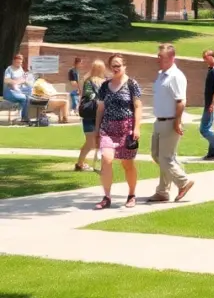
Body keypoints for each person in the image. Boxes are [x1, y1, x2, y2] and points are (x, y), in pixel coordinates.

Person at [93, 54, 143, 209]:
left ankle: (132, 194)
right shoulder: (104, 86)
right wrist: (96, 129)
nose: (115, 69)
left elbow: (138, 106)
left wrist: (136, 128)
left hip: (126, 129)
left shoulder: (131, 84)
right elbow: (100, 108)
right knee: (106, 160)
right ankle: (107, 197)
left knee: (127, 164)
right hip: (107, 128)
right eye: (113, 66)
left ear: (124, 66)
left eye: (118, 65)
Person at [146, 44, 194, 203]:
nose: (158, 59)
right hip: (159, 120)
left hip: (170, 121)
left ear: (172, 58)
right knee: (157, 155)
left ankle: (183, 182)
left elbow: (181, 101)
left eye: (161, 57)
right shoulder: (161, 74)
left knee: (165, 157)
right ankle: (163, 192)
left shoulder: (176, 76)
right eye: (158, 56)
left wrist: (177, 122)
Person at [75, 59, 106, 172]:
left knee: (90, 142)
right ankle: (99, 165)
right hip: (100, 114)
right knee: (100, 141)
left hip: (89, 115)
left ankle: (80, 163)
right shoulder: (104, 82)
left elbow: (87, 94)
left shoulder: (87, 80)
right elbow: (92, 95)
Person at [3, 53, 32, 123]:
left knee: (28, 97)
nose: (19, 64)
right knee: (23, 98)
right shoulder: (9, 69)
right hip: (10, 91)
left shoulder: (20, 69)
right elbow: (6, 80)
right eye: (17, 62)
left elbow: (23, 80)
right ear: (13, 61)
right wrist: (16, 82)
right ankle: (23, 117)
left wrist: (26, 81)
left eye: (20, 62)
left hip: (19, 90)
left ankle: (23, 117)